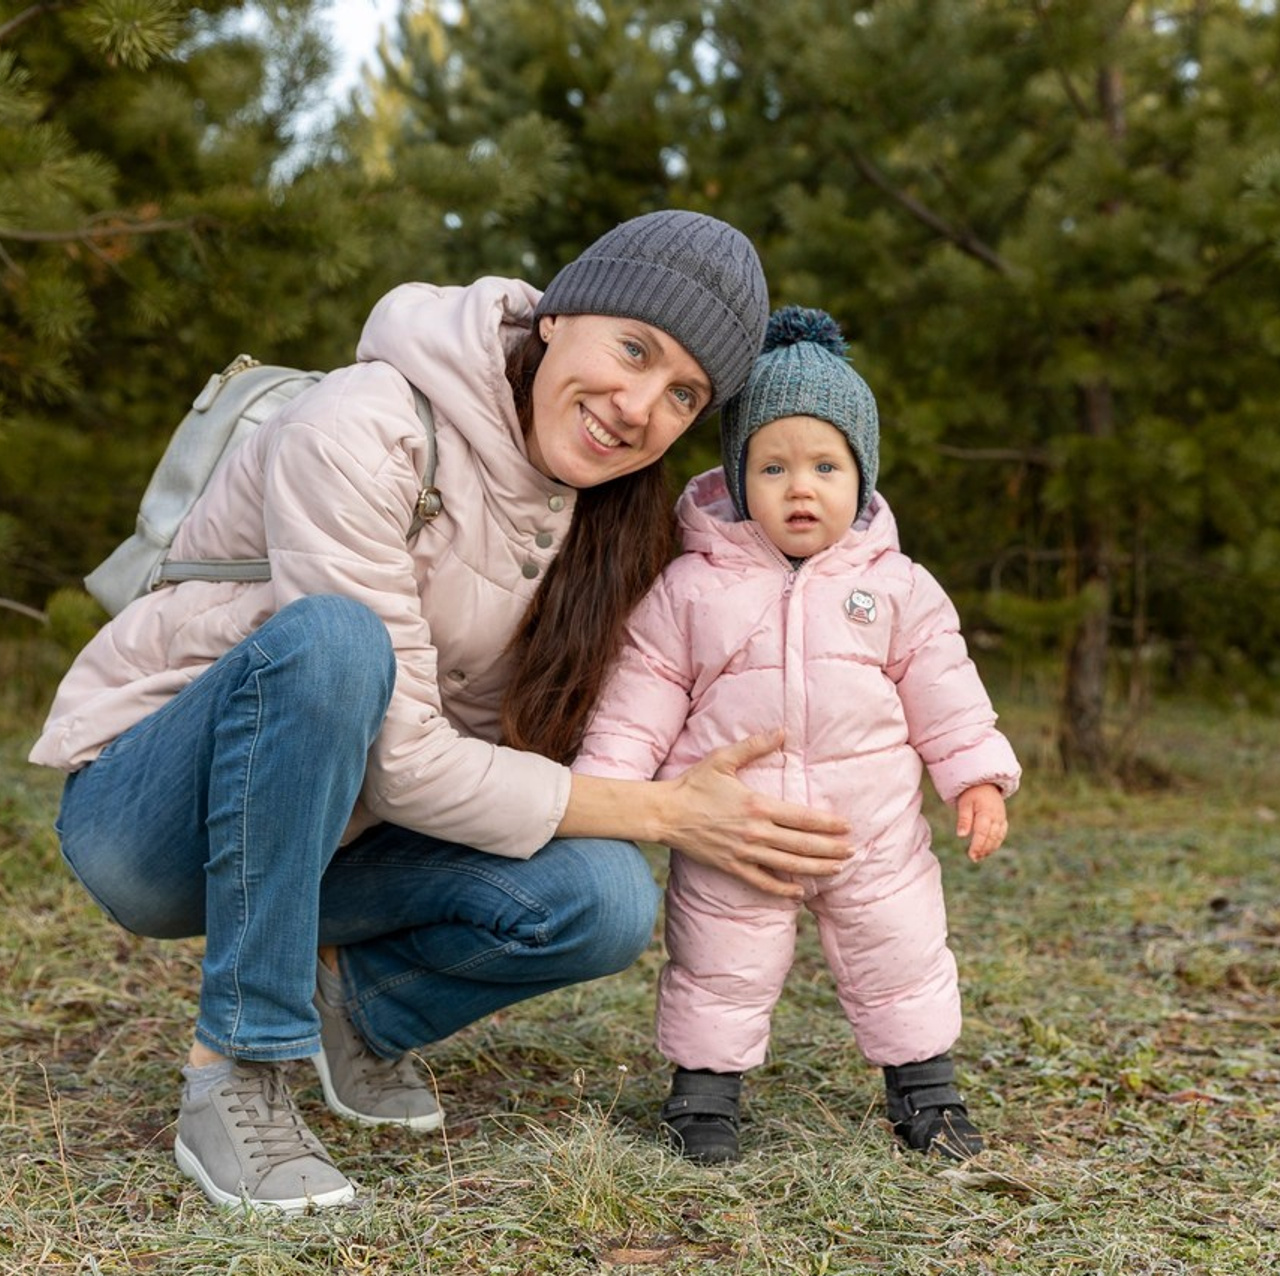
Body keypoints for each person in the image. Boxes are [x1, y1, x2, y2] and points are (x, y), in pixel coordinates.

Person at [29, 213, 858, 1213]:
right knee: (339, 643)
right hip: (150, 820)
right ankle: (236, 1071)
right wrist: (664, 811)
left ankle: (361, 1004)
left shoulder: (608, 513)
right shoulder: (366, 422)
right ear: (559, 315)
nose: (636, 407)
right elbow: (404, 762)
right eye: (632, 349)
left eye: (682, 393)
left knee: (602, 897)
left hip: (334, 841)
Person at [573, 306, 1022, 1165]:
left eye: (825, 464)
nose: (801, 487)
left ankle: (926, 1090)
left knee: (903, 954)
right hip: (734, 831)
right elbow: (641, 697)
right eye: (772, 467)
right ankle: (704, 1098)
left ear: (863, 475)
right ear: (740, 480)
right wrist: (617, 795)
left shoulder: (897, 588)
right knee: (716, 963)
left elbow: (947, 689)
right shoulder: (692, 588)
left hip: (874, 831)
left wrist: (974, 778)